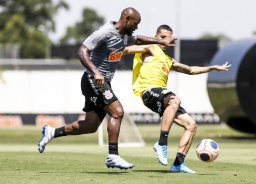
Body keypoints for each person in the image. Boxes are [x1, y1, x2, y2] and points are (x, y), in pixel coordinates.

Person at [37, 8, 176, 170]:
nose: (137, 27)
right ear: (126, 19)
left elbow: (137, 39)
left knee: (90, 126)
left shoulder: (125, 34)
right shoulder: (105, 32)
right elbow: (82, 51)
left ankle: (52, 132)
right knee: (117, 112)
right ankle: (113, 156)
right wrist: (96, 71)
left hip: (102, 83)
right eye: (135, 23)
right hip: (92, 80)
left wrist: (159, 42)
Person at [122, 24, 231, 173]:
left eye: (168, 38)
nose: (166, 40)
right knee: (175, 100)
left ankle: (178, 164)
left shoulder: (168, 60)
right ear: (156, 37)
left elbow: (191, 70)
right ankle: (162, 143)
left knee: (191, 126)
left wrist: (212, 68)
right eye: (162, 37)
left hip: (162, 95)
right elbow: (126, 49)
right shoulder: (150, 48)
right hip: (148, 91)